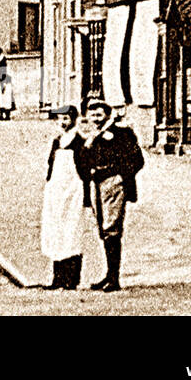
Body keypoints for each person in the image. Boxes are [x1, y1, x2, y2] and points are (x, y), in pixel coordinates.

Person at [76, 98, 144, 291]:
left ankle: (114, 278)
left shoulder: (121, 132)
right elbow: (82, 161)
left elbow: (137, 160)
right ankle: (108, 274)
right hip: (95, 184)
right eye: (92, 115)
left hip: (113, 183)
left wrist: (121, 176)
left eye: (99, 114)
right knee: (102, 229)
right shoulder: (91, 136)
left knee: (111, 227)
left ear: (107, 114)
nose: (95, 118)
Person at [41, 107, 86, 289]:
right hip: (56, 192)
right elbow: (51, 167)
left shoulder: (79, 142)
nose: (62, 123)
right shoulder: (57, 141)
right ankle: (57, 278)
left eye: (66, 119)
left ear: (74, 120)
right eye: (59, 119)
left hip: (74, 192)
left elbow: (83, 169)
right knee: (56, 231)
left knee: (72, 231)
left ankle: (72, 279)